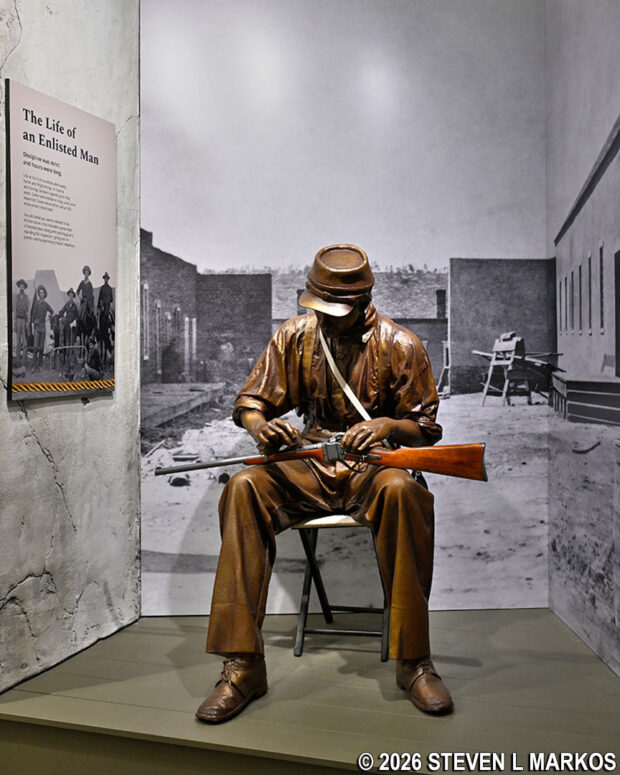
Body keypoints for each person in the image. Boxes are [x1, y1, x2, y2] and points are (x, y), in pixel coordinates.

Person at [196, 244, 453, 724]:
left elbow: (427, 430)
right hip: (311, 462)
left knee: (403, 491)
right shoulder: (296, 337)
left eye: (337, 310)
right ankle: (243, 666)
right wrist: (260, 427)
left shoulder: (402, 345)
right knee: (243, 488)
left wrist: (388, 427)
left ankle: (414, 661)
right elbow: (251, 402)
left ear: (363, 301)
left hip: (373, 468)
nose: (327, 319)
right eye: (320, 308)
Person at [29, 285, 53, 372]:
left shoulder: (46, 304)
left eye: (42, 293)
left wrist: (48, 318)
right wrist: (32, 326)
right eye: (40, 293)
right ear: (39, 294)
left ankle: (40, 365)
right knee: (35, 347)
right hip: (36, 327)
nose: (41, 294)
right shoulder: (36, 304)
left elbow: (52, 312)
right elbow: (33, 316)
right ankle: (33, 366)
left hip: (43, 327)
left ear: (44, 294)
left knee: (41, 347)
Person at [13, 279, 30, 367]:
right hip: (18, 320)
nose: (22, 287)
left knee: (25, 342)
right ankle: (17, 362)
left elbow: (28, 311)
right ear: (19, 286)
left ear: (24, 287)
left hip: (24, 321)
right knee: (18, 342)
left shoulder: (27, 298)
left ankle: (24, 362)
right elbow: (15, 310)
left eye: (23, 285)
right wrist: (15, 323)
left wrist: (27, 323)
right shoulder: (16, 297)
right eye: (20, 285)